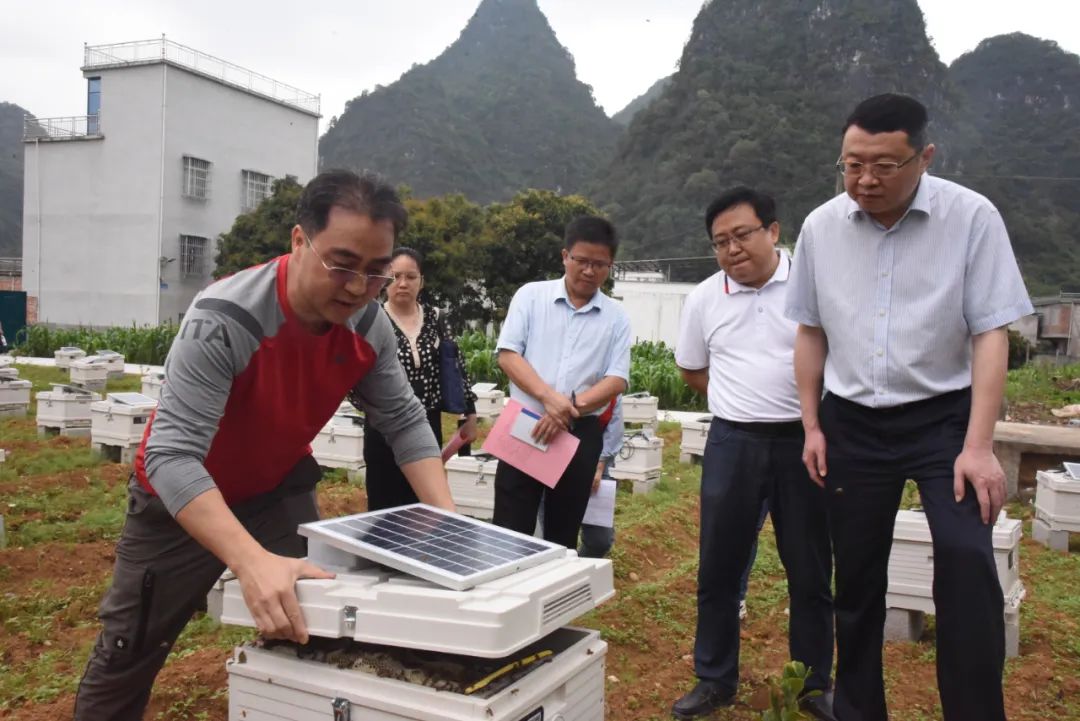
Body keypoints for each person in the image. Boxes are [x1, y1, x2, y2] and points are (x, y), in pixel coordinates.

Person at [73, 170, 455, 721]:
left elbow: (404, 420)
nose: (357, 287)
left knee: (316, 626)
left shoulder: (368, 324)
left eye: (376, 272)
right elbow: (172, 455)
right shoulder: (225, 318)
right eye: (342, 263)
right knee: (129, 649)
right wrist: (251, 561)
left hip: (276, 489)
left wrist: (449, 523)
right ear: (300, 242)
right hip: (178, 503)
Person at [785, 93, 1033, 721]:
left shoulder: (971, 217)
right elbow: (810, 331)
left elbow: (991, 333)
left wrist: (978, 447)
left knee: (966, 558)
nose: (865, 180)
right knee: (858, 580)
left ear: (924, 157)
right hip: (852, 423)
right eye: (851, 164)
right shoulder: (820, 227)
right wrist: (812, 424)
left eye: (885, 165)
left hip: (943, 422)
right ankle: (860, 710)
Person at [673, 187, 834, 721]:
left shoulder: (815, 287)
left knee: (809, 569)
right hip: (733, 442)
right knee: (719, 567)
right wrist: (736, 399)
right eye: (720, 242)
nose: (732, 249)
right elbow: (693, 369)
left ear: (773, 231)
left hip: (804, 442)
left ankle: (812, 686)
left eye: (742, 234)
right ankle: (714, 678)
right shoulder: (703, 299)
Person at [492, 216, 632, 549]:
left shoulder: (616, 317)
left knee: (562, 533)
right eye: (581, 261)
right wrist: (549, 399)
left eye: (599, 264)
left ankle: (550, 598)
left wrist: (566, 411)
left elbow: (617, 379)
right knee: (510, 529)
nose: (589, 271)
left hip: (579, 433)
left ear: (610, 265)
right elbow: (508, 355)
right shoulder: (531, 297)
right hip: (526, 425)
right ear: (565, 256)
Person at [350, 247, 479, 510]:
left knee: (422, 506)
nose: (403, 283)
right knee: (384, 505)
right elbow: (353, 375)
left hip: (427, 422)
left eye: (411, 276)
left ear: (422, 280)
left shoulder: (436, 318)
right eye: (395, 276)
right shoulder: (371, 319)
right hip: (382, 427)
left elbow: (455, 365)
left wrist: (469, 413)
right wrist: (372, 409)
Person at [579, 394, 622, 558]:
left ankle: (579, 572)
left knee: (600, 540)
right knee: (555, 542)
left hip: (595, 468)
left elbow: (615, 430)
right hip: (554, 468)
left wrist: (599, 465)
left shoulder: (612, 391)